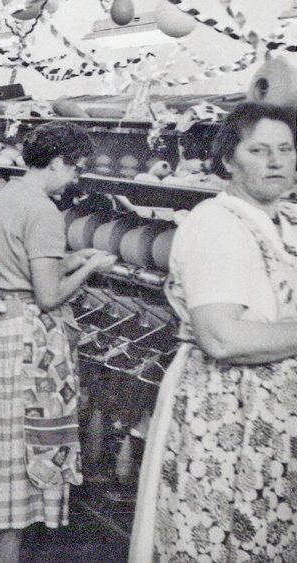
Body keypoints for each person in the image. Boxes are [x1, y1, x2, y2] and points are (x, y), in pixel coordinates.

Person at [131, 103, 297, 562]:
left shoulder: (284, 222)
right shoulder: (216, 224)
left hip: (275, 421)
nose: (276, 161)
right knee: (220, 537)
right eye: (258, 150)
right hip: (227, 413)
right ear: (228, 160)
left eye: (285, 149)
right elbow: (222, 338)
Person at [0, 122, 115, 562]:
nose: (74, 178)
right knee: (26, 453)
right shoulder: (45, 210)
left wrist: (68, 259)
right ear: (55, 163)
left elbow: (25, 266)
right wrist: (89, 268)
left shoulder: (8, 196)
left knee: (4, 455)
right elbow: (49, 295)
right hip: (31, 341)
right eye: (74, 168)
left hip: (4, 329)